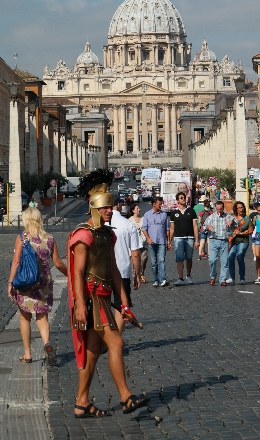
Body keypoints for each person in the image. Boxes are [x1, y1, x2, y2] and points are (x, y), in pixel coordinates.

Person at [68, 170, 149, 417]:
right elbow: (78, 274)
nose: (110, 210)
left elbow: (113, 268)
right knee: (116, 342)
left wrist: (123, 302)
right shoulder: (83, 235)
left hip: (103, 297)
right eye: (105, 207)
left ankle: (81, 402)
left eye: (111, 206)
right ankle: (125, 397)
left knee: (93, 353)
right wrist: (80, 305)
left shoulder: (108, 234)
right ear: (94, 206)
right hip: (91, 299)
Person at [8, 207, 67, 365]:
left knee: (25, 317)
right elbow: (58, 263)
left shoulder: (22, 238)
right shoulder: (49, 238)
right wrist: (70, 275)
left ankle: (27, 354)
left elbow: (16, 262)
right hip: (44, 282)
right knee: (42, 316)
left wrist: (10, 283)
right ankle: (46, 343)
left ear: (26, 220)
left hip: (26, 282)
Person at [108, 197, 142, 333]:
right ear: (119, 205)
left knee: (102, 306)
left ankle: (105, 338)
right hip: (122, 270)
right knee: (122, 306)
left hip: (101, 271)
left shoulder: (98, 223)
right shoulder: (128, 224)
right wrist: (137, 274)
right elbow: (135, 254)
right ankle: (116, 339)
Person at [169, 191, 199, 285]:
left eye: (184, 197)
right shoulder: (174, 213)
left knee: (189, 258)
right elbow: (172, 228)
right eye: (181, 198)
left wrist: (197, 240)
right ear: (178, 200)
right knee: (179, 258)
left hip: (189, 237)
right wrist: (169, 241)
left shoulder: (191, 211)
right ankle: (180, 278)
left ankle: (189, 275)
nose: (183, 199)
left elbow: (195, 226)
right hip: (178, 238)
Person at [142, 196, 171, 287]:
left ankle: (163, 279)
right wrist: (148, 238)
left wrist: (169, 241)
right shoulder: (147, 215)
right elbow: (144, 228)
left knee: (161, 260)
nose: (161, 205)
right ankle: (155, 279)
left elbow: (167, 229)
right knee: (153, 262)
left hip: (162, 241)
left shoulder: (164, 215)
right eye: (159, 204)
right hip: (152, 242)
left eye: (161, 203)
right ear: (154, 204)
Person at [205, 201, 236, 286]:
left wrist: (231, 222)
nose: (219, 211)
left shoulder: (228, 216)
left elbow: (236, 223)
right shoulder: (211, 217)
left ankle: (222, 279)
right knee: (212, 259)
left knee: (224, 261)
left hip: (224, 241)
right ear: (215, 208)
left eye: (221, 209)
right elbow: (204, 226)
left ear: (223, 208)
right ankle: (212, 276)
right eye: (218, 209)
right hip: (213, 240)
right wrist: (208, 227)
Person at [227, 202, 253, 285]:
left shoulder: (247, 219)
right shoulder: (231, 218)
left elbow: (251, 231)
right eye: (238, 208)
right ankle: (231, 278)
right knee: (230, 257)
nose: (240, 209)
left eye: (241, 207)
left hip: (243, 241)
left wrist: (241, 233)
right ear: (236, 209)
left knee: (240, 257)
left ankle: (242, 278)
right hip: (233, 241)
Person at [129, 202, 148, 283]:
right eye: (137, 208)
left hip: (143, 242)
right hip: (134, 244)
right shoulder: (129, 220)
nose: (139, 209)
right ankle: (135, 276)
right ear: (133, 210)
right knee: (134, 260)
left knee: (144, 259)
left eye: (139, 208)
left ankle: (141, 274)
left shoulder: (143, 219)